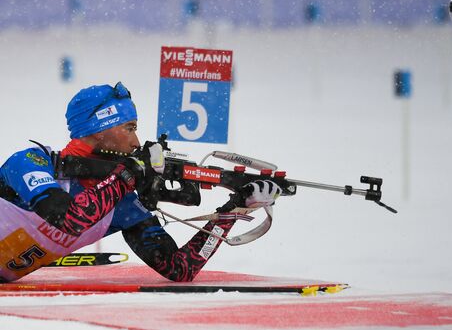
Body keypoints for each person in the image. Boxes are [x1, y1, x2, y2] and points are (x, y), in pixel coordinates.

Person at [0, 82, 280, 283]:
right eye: (129, 128)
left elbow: (180, 270)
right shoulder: (31, 162)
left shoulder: (119, 203)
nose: (136, 141)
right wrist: (127, 175)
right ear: (99, 130)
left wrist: (234, 209)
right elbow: (68, 217)